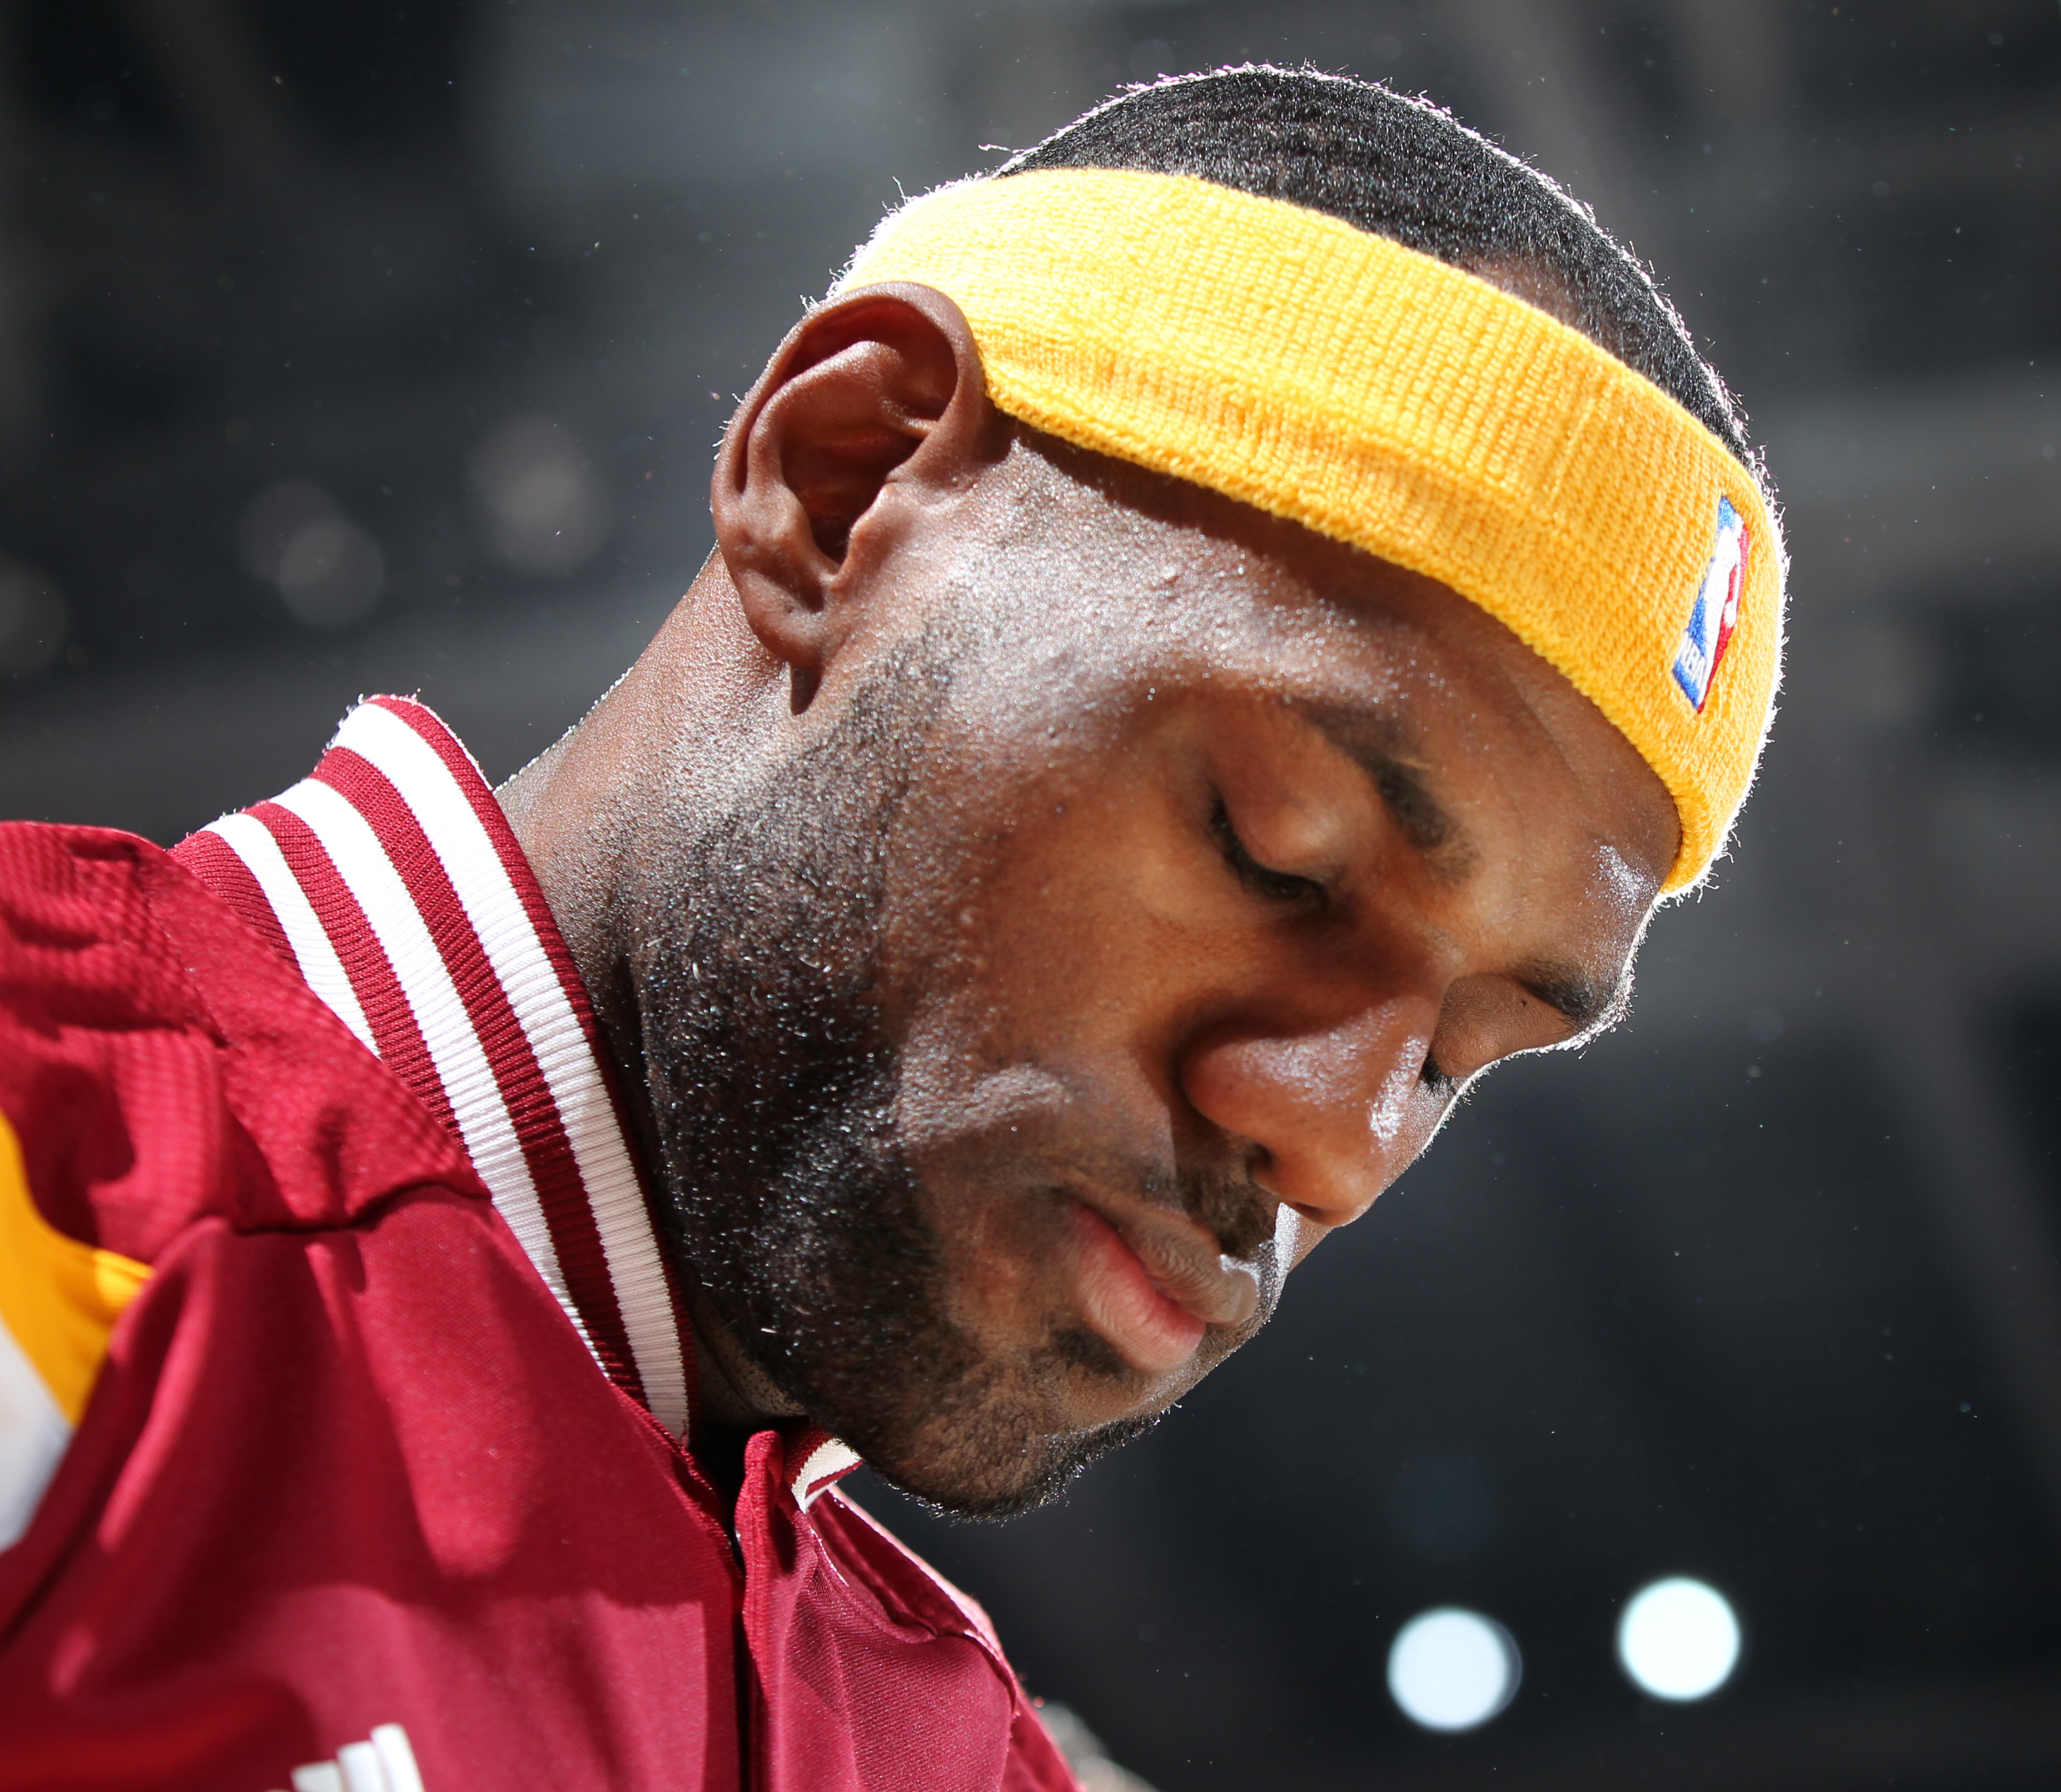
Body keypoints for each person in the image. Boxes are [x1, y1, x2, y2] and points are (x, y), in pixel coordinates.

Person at [0, 67, 1782, 1792]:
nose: (1337, 1137)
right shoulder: (50, 1155)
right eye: (1278, 852)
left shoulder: (951, 1752)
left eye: (1462, 1055)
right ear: (841, 483)